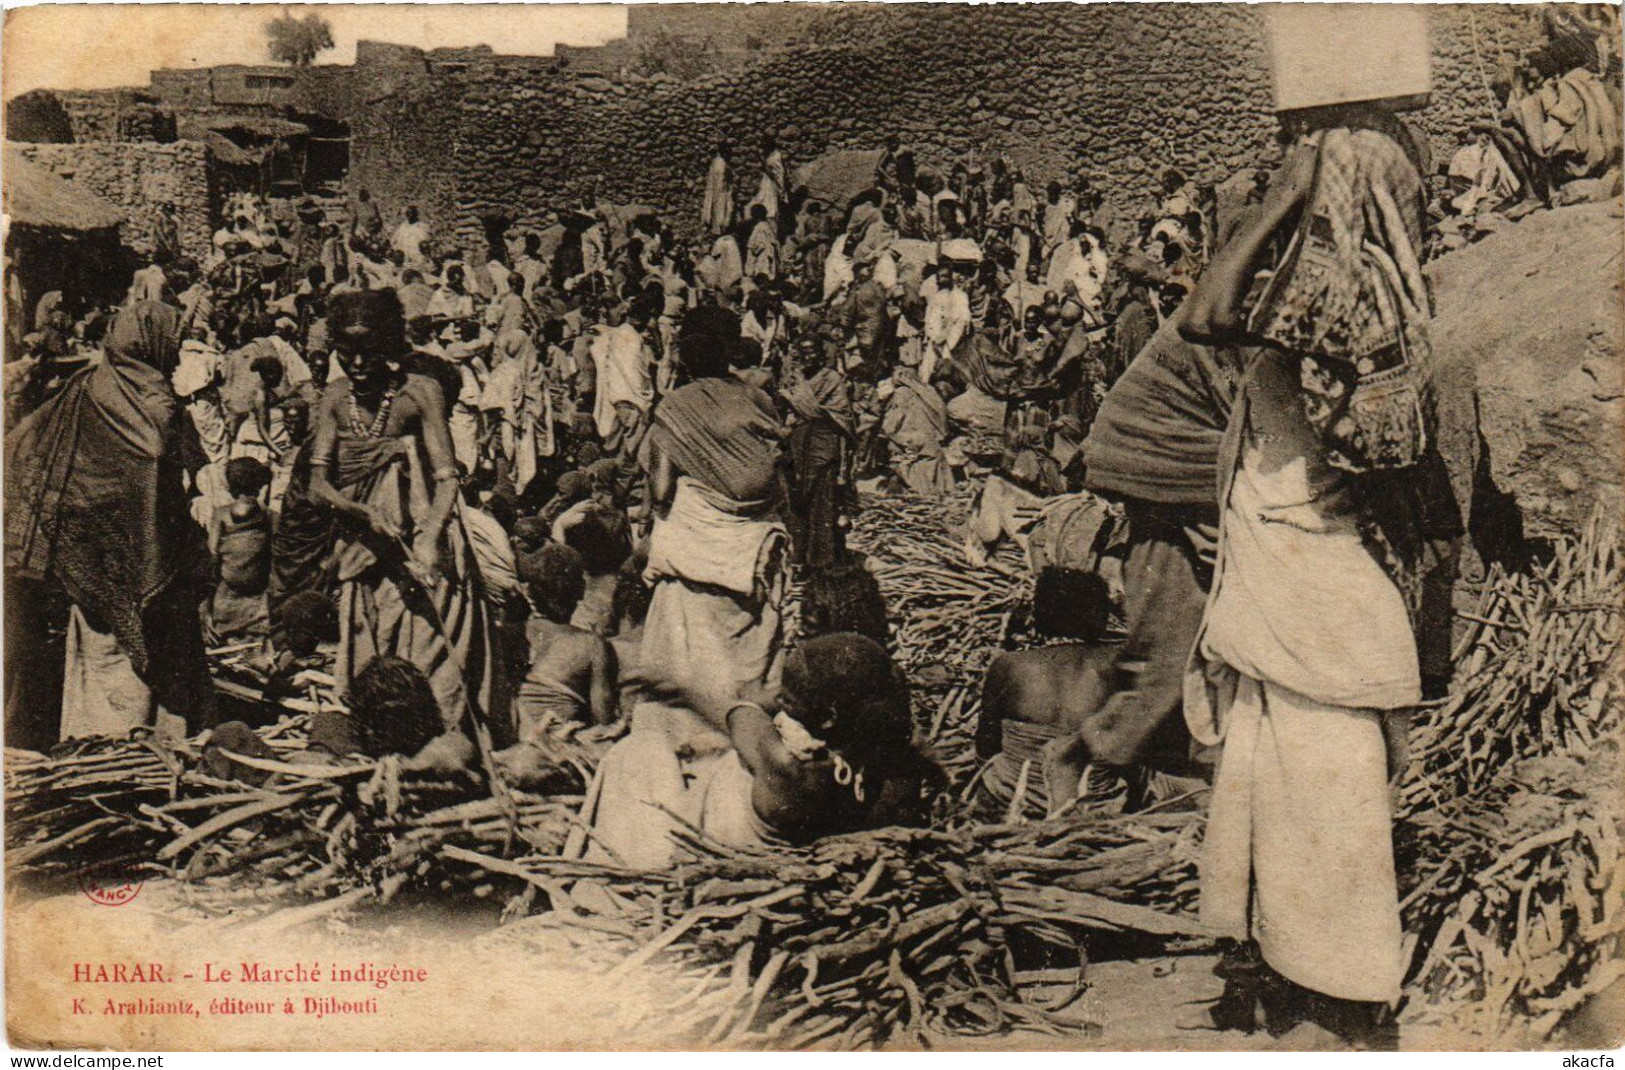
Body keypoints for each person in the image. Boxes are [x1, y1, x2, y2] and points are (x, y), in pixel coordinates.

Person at [1180, 101, 1461, 1045]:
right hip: (1332, 575)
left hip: (1304, 570)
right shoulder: (1395, 299)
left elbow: (1204, 314)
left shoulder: (1333, 296)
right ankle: (1321, 971)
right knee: (1311, 776)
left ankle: (1336, 974)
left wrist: (1278, 196)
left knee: (1309, 778)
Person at [6, 301, 217, 742]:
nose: (176, 356)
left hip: (86, 548)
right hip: (145, 550)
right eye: (171, 345)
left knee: (102, 651)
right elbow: (155, 466)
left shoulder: (84, 388)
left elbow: (23, 447)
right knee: (150, 650)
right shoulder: (155, 406)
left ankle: (99, 740)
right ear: (152, 345)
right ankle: (144, 746)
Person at [570, 633, 941, 867]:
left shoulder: (789, 764)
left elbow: (738, 713)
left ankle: (600, 874)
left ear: (828, 718)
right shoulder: (897, 766)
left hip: (709, 852)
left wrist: (681, 686)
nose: (780, 699)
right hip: (800, 843)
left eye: (788, 697)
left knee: (641, 749)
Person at [303, 289, 497, 735]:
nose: (355, 363)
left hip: (421, 548)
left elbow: (448, 478)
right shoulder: (334, 397)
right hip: (366, 551)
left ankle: (444, 748)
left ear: (388, 345)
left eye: (367, 351)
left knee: (432, 660)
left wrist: (430, 536)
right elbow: (317, 485)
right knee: (373, 664)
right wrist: (361, 512)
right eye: (345, 352)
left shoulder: (420, 392)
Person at [640, 309, 790, 719]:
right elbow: (776, 451)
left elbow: (661, 488)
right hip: (755, 535)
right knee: (753, 638)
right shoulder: (755, 396)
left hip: (701, 535)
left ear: (685, 366)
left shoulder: (676, 407)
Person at [970, 568, 1122, 820]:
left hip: (1013, 800)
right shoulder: (1116, 664)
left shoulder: (1010, 665)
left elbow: (986, 748)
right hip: (1093, 806)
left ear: (1041, 612)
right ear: (1101, 614)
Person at [509, 541, 618, 741]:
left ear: (530, 591)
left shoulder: (510, 634)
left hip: (510, 743)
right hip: (556, 748)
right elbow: (603, 724)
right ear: (581, 590)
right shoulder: (591, 644)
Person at [782, 344, 854, 572]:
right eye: (803, 354)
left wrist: (804, 408)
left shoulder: (832, 379)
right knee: (797, 502)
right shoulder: (795, 378)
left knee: (823, 502)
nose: (808, 358)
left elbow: (841, 413)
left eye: (813, 353)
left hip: (823, 443)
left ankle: (822, 561)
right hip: (797, 444)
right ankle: (799, 557)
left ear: (822, 356)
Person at [205, 457, 273, 643]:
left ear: (229, 486)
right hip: (257, 601)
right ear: (260, 485)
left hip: (228, 599)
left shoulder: (221, 514)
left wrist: (207, 607)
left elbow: (212, 558)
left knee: (225, 648)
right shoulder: (269, 516)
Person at [702, 141, 736, 237]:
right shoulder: (722, 165)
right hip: (721, 194)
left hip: (717, 194)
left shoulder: (715, 163)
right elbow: (722, 185)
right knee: (722, 216)